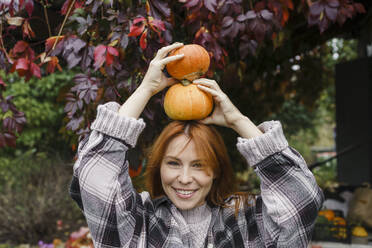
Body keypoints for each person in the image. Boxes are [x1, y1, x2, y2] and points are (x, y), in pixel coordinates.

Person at [69, 42, 324, 248]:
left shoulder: (247, 223)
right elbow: (93, 179)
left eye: (199, 165)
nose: (185, 178)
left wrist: (237, 120)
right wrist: (145, 90)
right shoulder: (138, 224)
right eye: (173, 163)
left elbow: (302, 198)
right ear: (159, 167)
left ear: (216, 170)